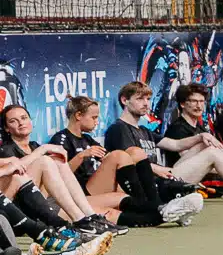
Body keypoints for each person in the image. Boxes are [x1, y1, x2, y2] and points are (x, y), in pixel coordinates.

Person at [52, 95, 199, 228]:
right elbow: (58, 175)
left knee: (135, 152)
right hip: (80, 191)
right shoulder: (62, 139)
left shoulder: (87, 139)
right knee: (118, 156)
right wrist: (82, 156)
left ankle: (157, 205)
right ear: (78, 115)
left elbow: (110, 159)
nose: (97, 122)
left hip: (96, 185)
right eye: (94, 118)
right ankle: (160, 208)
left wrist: (153, 169)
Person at [5, 104, 126, 231]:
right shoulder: (6, 150)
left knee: (57, 161)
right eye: (13, 121)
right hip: (20, 207)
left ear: (30, 120)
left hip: (50, 200)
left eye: (24, 118)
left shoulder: (34, 145)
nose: (21, 123)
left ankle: (89, 217)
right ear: (7, 128)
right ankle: (80, 219)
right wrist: (44, 149)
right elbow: (14, 172)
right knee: (45, 161)